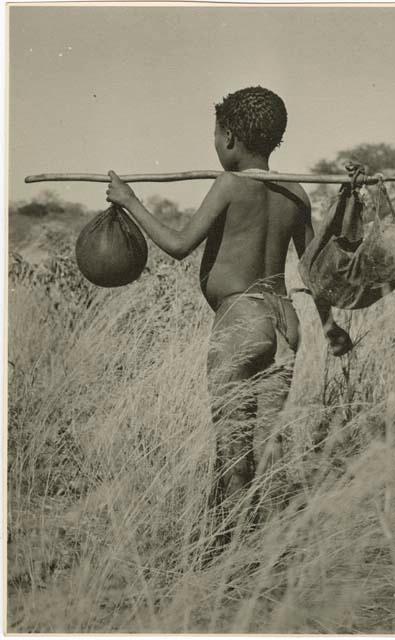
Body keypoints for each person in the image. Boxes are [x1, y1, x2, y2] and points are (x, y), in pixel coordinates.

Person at [106, 86, 314, 533]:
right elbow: (314, 269)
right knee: (268, 447)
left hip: (241, 320)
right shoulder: (296, 191)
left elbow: (180, 245)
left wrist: (129, 201)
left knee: (234, 453)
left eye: (216, 135)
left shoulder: (229, 184)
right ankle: (273, 551)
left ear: (231, 139)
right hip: (284, 321)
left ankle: (234, 567)